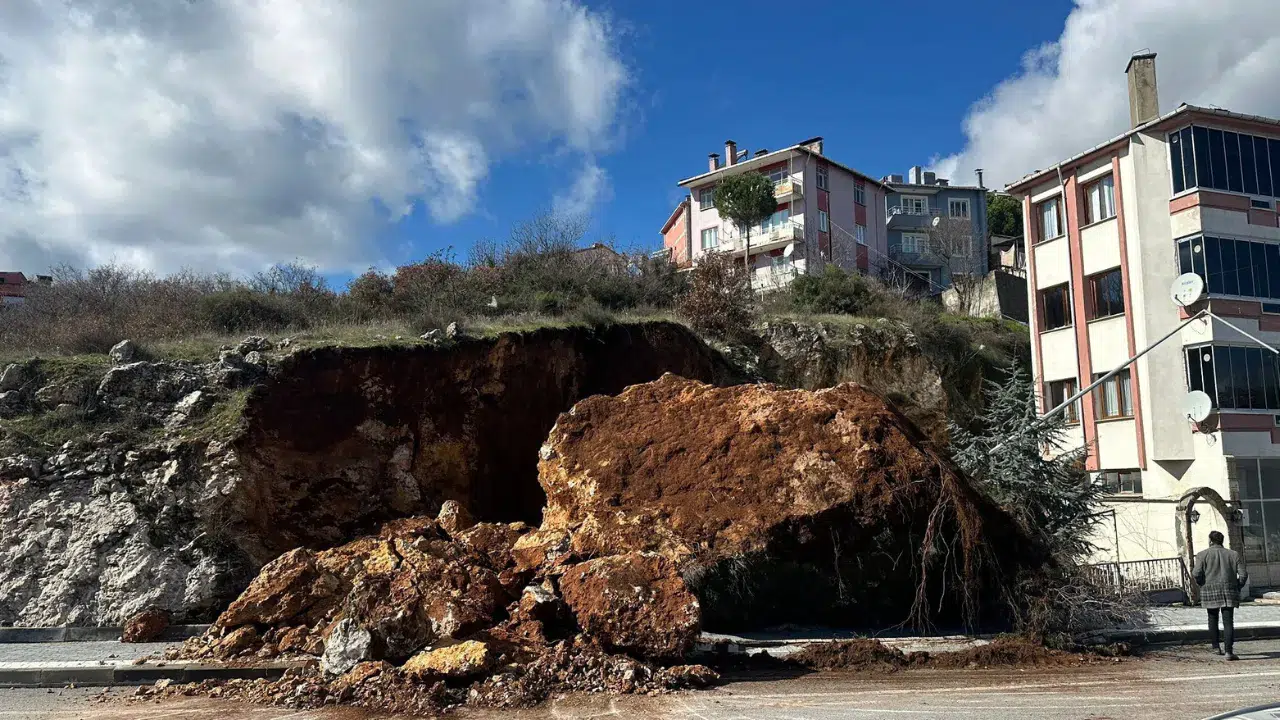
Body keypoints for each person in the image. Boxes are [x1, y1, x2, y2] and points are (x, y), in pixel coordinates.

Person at [1193, 530, 1249, 660]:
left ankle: (1216, 647)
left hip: (1209, 589)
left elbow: (1196, 573)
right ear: (1222, 541)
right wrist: (1238, 586)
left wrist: (1202, 583)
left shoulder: (1202, 555)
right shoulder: (1233, 554)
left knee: (1212, 619)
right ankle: (1229, 652)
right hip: (1229, 589)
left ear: (1210, 541)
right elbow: (1243, 574)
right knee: (1228, 621)